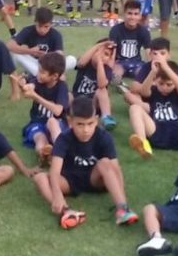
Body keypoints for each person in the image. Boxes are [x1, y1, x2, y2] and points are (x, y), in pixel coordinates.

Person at [31, 96, 138, 229]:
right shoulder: (64, 139)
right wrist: (57, 195)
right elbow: (55, 171)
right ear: (70, 122)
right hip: (69, 180)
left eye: (90, 123)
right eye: (80, 124)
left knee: (105, 162)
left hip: (95, 179)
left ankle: (123, 210)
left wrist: (122, 198)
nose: (86, 130)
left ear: (96, 120)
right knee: (40, 178)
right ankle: (66, 212)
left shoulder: (104, 137)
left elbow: (115, 168)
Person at [20, 52, 70, 164]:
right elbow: (30, 84)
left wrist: (36, 97)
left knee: (52, 121)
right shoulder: (38, 81)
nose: (38, 74)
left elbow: (58, 111)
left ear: (55, 76)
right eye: (39, 70)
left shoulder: (61, 87)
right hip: (37, 123)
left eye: (42, 72)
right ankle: (44, 155)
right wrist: (23, 84)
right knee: (40, 138)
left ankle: (60, 152)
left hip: (57, 125)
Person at [6, 7, 76, 77]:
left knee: (72, 59)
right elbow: (9, 45)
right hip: (35, 63)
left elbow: (59, 55)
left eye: (46, 26)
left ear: (51, 24)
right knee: (15, 53)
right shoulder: (28, 30)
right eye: (40, 26)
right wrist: (30, 51)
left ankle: (43, 75)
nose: (42, 30)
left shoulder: (56, 34)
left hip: (51, 65)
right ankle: (46, 76)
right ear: (35, 22)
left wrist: (47, 57)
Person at [73, 39, 117, 130]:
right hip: (77, 100)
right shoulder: (86, 62)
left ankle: (106, 117)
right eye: (100, 52)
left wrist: (100, 62)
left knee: (102, 90)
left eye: (106, 55)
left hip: (93, 102)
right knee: (68, 95)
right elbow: (81, 63)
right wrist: (100, 45)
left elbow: (101, 84)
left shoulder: (106, 69)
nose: (102, 56)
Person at [109, 0, 151, 81]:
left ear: (140, 16)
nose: (132, 17)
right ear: (124, 14)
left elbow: (148, 52)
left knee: (143, 76)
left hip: (137, 62)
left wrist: (151, 68)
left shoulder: (144, 31)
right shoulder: (115, 30)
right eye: (129, 13)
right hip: (119, 62)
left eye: (136, 14)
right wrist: (110, 66)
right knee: (115, 76)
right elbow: (112, 52)